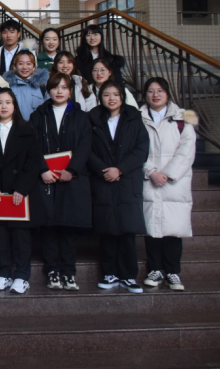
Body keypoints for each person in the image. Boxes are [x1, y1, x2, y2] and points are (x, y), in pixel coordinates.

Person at [29, 73, 92, 292]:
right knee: (49, 227)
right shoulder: (38, 115)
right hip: (46, 179)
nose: (59, 91)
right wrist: (42, 170)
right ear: (48, 90)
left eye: (64, 87)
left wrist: (72, 170)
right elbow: (32, 146)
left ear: (70, 91)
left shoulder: (81, 116)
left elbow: (85, 145)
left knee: (68, 227)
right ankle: (52, 271)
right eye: (55, 87)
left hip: (71, 179)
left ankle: (69, 272)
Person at [88, 81, 149, 293]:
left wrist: (120, 169)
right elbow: (86, 149)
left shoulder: (134, 118)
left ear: (122, 97)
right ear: (100, 97)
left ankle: (129, 275)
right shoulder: (93, 119)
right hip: (103, 179)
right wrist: (103, 170)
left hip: (127, 180)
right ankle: (109, 273)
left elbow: (142, 149)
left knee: (127, 230)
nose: (111, 98)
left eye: (115, 94)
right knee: (107, 229)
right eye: (106, 94)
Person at [0, 89, 45, 294]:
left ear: (14, 105)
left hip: (20, 192)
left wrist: (21, 188)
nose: (3, 106)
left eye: (8, 102)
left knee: (21, 237)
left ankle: (21, 276)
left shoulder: (26, 129)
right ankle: (3, 273)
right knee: (1, 235)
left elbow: (34, 161)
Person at [140, 77, 196, 292]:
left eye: (160, 91)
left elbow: (187, 150)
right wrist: (151, 171)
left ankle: (173, 271)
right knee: (152, 227)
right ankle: (155, 270)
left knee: (173, 228)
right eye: (151, 91)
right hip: (149, 178)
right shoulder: (137, 117)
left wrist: (167, 174)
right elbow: (135, 148)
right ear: (145, 94)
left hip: (175, 181)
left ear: (168, 93)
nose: (155, 95)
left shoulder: (182, 118)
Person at [4, 51, 49, 120]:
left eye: (29, 64)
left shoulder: (42, 85)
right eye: (20, 64)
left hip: (37, 125)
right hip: (14, 125)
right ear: (15, 65)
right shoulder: (7, 85)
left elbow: (49, 108)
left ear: (34, 65)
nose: (24, 67)